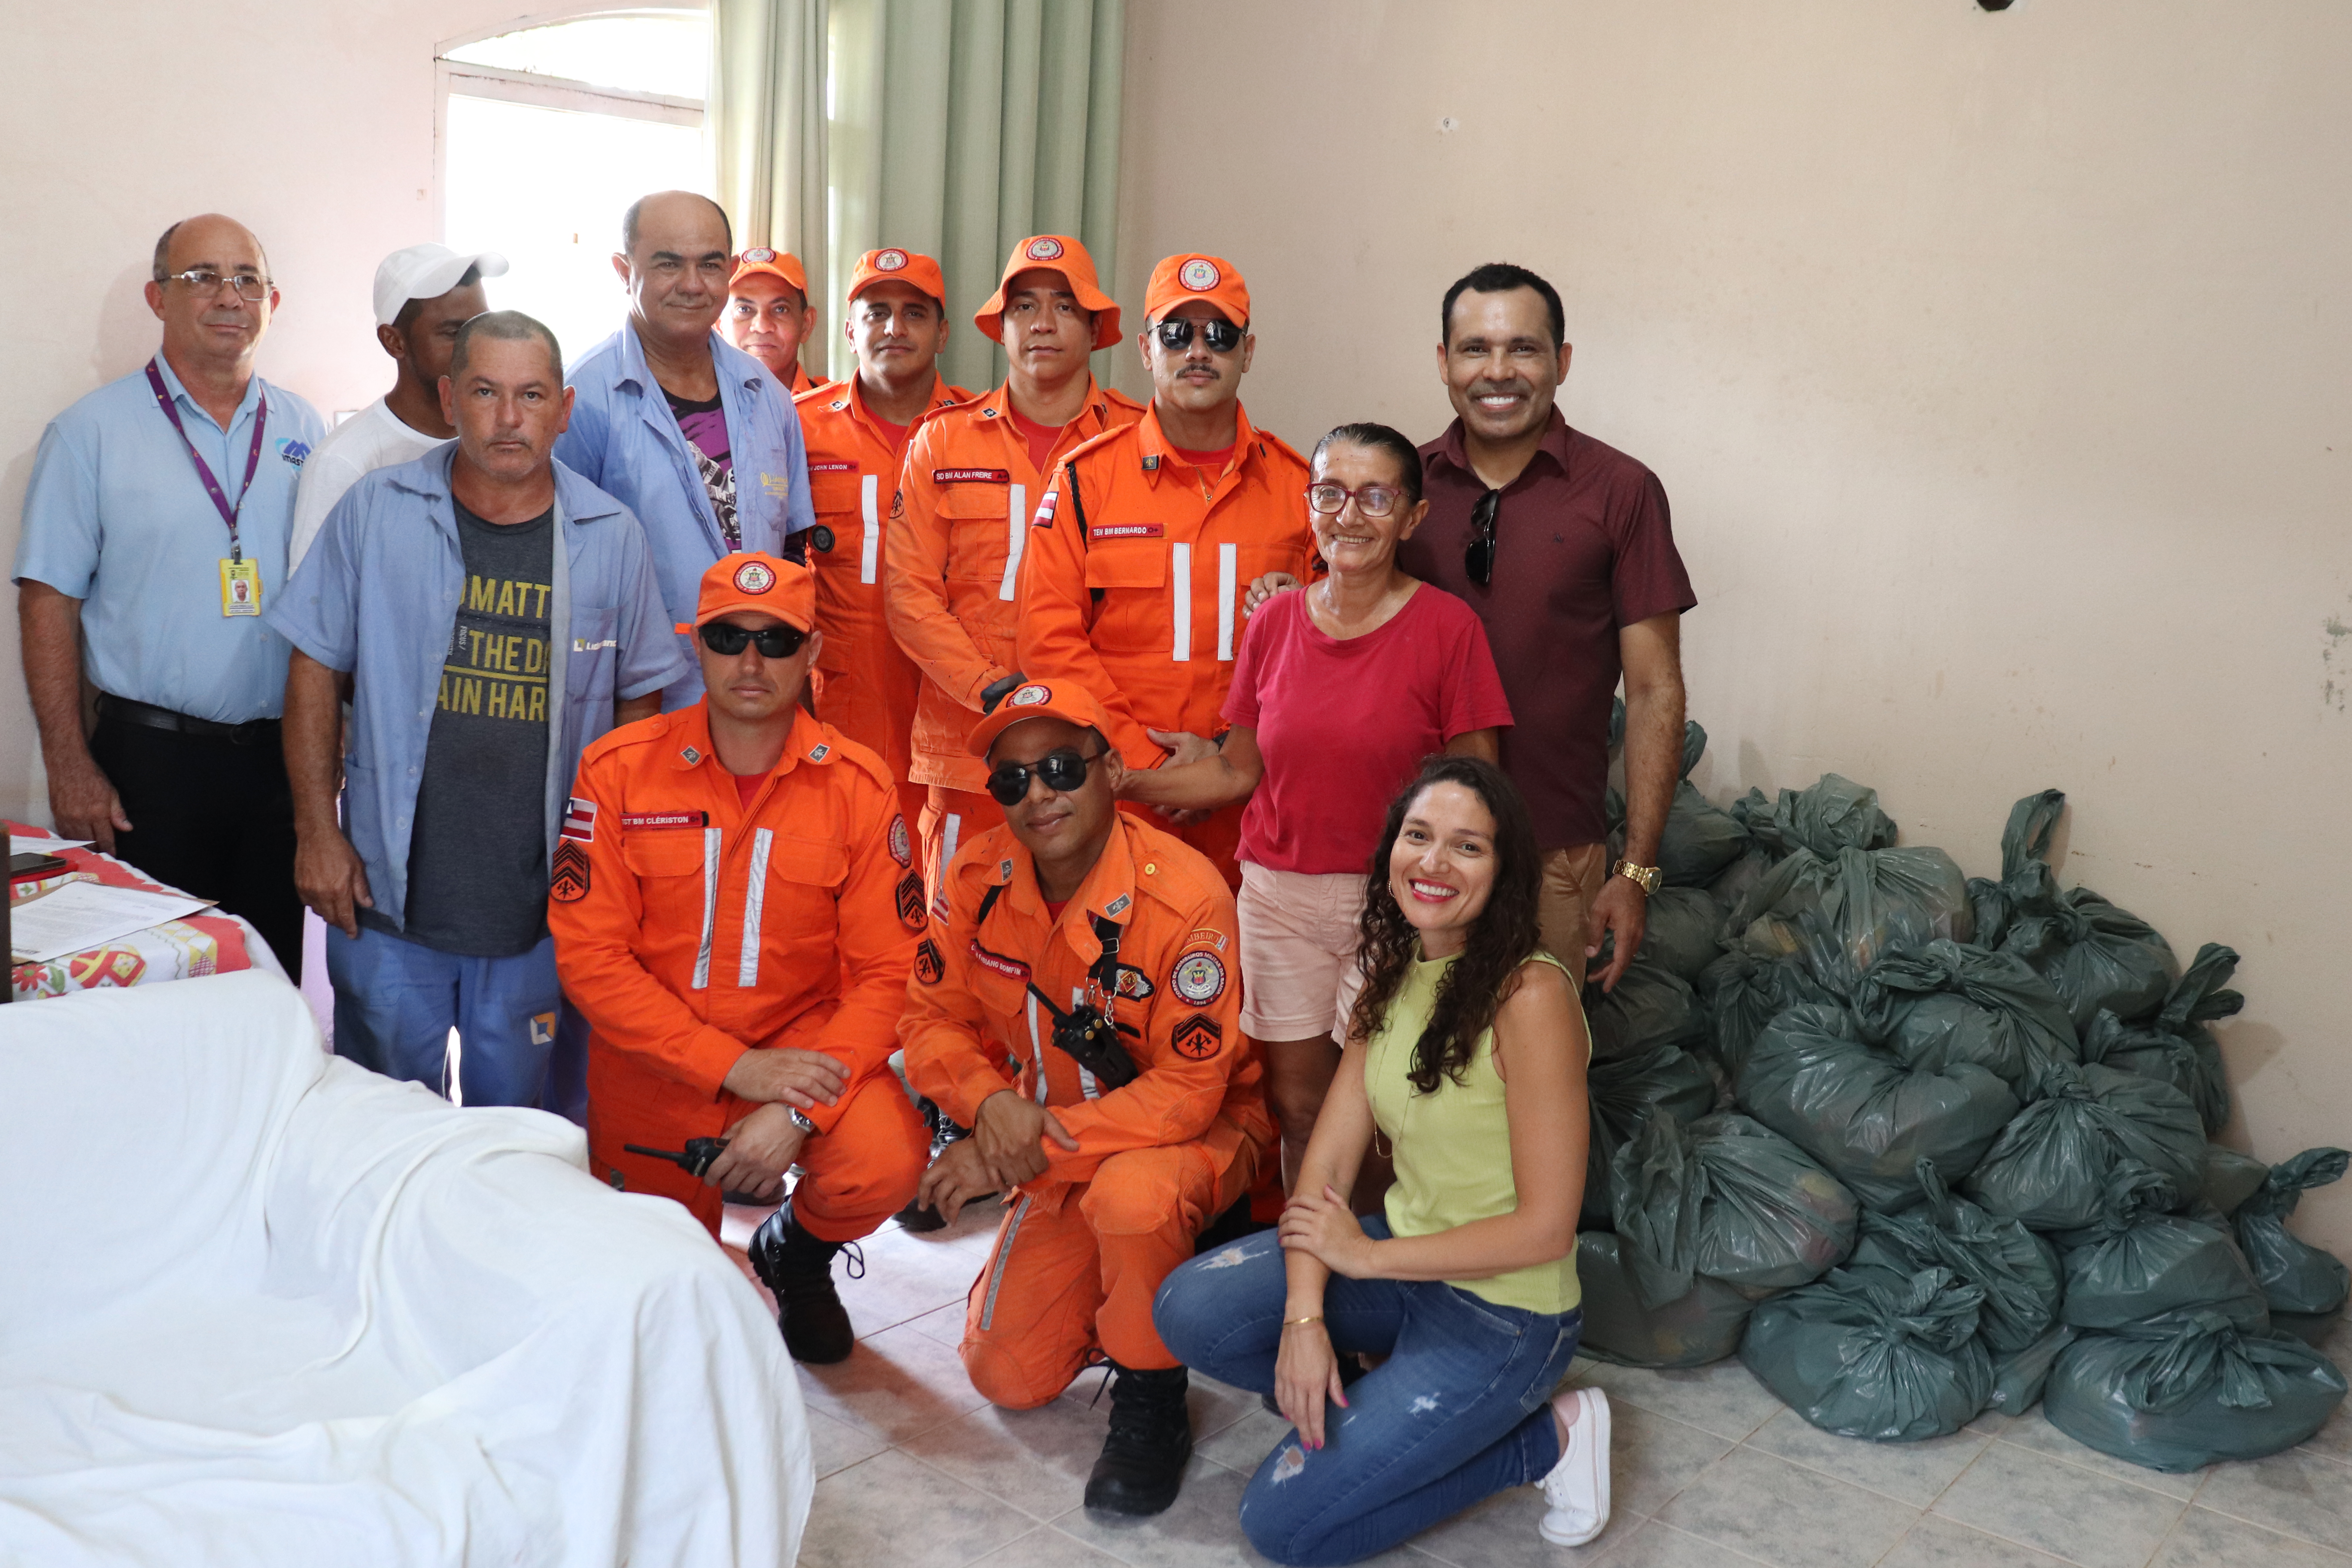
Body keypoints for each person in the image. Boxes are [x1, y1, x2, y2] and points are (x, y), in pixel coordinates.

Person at [1153, 754, 1610, 1564]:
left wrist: (1363, 1255)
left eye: (1466, 847)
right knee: (1189, 1306)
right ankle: (1386, 1408)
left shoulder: (1530, 998)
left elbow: (1544, 1230)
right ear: (1390, 852)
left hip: (1504, 1317)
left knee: (1283, 1528)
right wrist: (1302, 1318)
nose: (1432, 862)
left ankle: (1547, 1441)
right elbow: (1325, 1161)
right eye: (1417, 835)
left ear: (1502, 872)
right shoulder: (1392, 972)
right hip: (1404, 1277)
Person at [268, 311, 685, 1106]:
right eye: (486, 392)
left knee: (520, 1143)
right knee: (379, 1135)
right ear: (449, 399)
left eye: (531, 396)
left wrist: (617, 865)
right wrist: (317, 832)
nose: (508, 418)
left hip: (541, 912)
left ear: (563, 409)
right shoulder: (376, 510)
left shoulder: (611, 534)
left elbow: (642, 699)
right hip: (387, 904)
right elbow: (313, 663)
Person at [899, 677, 1273, 1517]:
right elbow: (929, 1022)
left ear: (1110, 768)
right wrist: (991, 1107)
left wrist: (1033, 1141)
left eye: (1063, 766)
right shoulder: (973, 877)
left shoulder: (1186, 895)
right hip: (1055, 1133)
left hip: (1193, 1130)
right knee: (1008, 1373)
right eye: (1013, 779)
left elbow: (1187, 1094)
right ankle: (1139, 1287)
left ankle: (1152, 1395)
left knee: (1135, 1196)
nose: (1038, 794)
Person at [548, 552, 929, 1364]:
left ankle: (797, 1253)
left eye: (776, 640)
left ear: (813, 653)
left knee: (883, 1163)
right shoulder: (618, 771)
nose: (751, 661)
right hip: (658, 1075)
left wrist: (795, 1109)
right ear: (697, 646)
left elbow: (888, 974)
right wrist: (732, 1069)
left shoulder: (858, 786)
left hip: (804, 1065)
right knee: (652, 1324)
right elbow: (591, 957)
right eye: (728, 637)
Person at [1123, 423, 1512, 1191]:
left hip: (1398, 905)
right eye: (1330, 493)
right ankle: (1313, 1274)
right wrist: (1122, 784)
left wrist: (1459, 916)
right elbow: (1236, 770)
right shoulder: (1271, 623)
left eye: (1375, 496)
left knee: (1382, 1111)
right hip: (1278, 898)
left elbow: (1478, 797)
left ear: (1411, 518)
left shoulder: (1447, 630)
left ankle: (1373, 1272)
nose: (1349, 514)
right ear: (1309, 507)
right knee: (1297, 1106)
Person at [14, 214, 325, 978]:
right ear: (157, 298)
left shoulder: (303, 429)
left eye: (247, 279)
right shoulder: (90, 433)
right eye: (203, 277)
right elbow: (48, 600)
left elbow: (329, 596)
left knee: (268, 983)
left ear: (272, 302)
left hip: (279, 763)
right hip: (150, 769)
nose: (229, 296)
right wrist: (68, 762)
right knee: (160, 986)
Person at [1395, 262, 1694, 991]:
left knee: (1536, 1079)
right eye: (1474, 348)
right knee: (1404, 1069)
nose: (1497, 371)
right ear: (1442, 362)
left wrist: (1634, 872)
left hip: (1555, 854)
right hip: (1412, 854)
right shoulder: (1400, 488)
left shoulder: (1621, 491)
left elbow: (1655, 688)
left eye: (1522, 348)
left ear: (1560, 361)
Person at [1017, 252, 1315, 889]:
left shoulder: (1301, 491)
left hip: (1259, 812)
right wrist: (1155, 767)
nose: (1198, 351)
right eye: (1177, 334)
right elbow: (1049, 639)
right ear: (1147, 351)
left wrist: (1229, 766)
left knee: (1248, 987)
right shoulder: (1083, 481)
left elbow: (1327, 655)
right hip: (1123, 803)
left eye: (1220, 335)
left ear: (1248, 350)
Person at [884, 234, 1143, 892]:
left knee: (1091, 947)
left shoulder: (1134, 443)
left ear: (1094, 328)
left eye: (1064, 306)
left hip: (1091, 754)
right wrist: (990, 689)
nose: (1043, 324)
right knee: (957, 948)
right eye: (1025, 307)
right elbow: (908, 596)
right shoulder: (941, 440)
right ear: (1001, 327)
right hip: (969, 750)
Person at [556, 191, 816, 708]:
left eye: (710, 265)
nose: (693, 285)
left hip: (757, 700)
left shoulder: (766, 395)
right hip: (636, 705)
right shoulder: (583, 399)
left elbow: (790, 556)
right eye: (669, 264)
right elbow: (563, 569)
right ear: (623, 270)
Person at [795, 247, 974, 833]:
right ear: (850, 331)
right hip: (838, 707)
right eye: (877, 313)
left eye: (914, 314)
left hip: (953, 706)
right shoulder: (796, 426)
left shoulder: (979, 433)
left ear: (942, 332)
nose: (894, 328)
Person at [288, 243, 506, 569]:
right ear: (395, 341)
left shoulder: (504, 441)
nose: (474, 348)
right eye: (453, 333)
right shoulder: (345, 462)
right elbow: (316, 606)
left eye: (482, 327)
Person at [721, 246, 827, 397]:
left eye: (780, 309)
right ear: (718, 325)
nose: (762, 326)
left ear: (806, 325)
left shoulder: (840, 413)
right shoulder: (690, 414)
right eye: (744, 309)